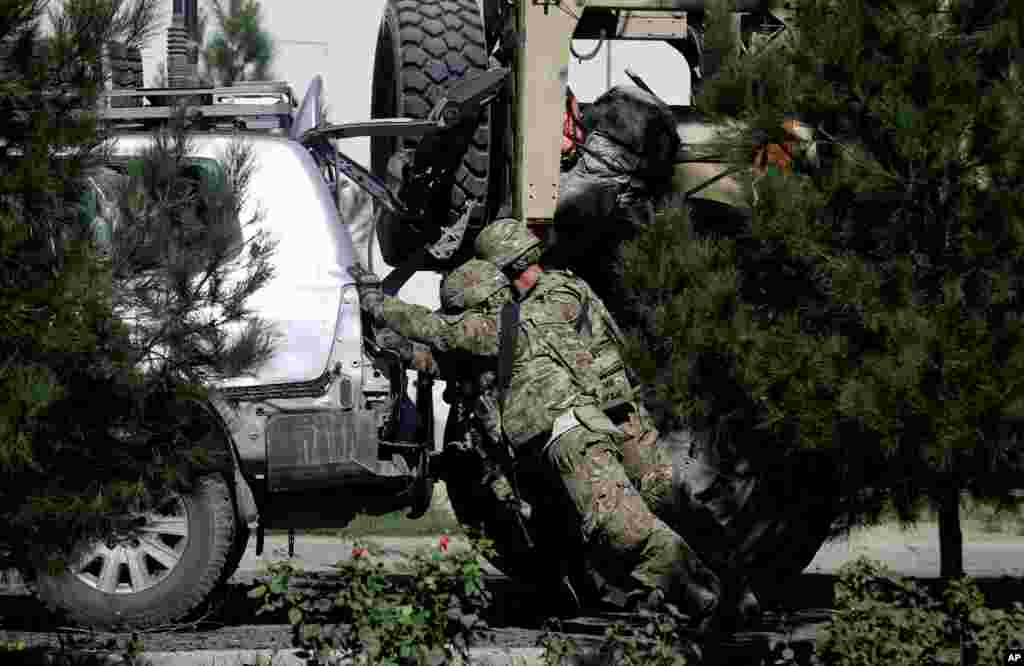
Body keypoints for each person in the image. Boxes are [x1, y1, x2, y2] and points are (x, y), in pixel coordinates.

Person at [348, 257, 722, 628]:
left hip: (571, 438)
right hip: (553, 448)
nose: (455, 318)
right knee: (599, 533)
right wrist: (391, 345)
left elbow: (435, 330)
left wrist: (376, 301)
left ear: (478, 302)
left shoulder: (506, 323)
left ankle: (709, 599)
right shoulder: (499, 334)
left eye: (458, 311)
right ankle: (689, 598)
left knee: (623, 528)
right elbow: (440, 359)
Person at [474, 218, 761, 626]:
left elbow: (515, 363)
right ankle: (732, 589)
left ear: (503, 267)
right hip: (615, 414)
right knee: (663, 500)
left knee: (636, 512)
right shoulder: (559, 291)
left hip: (601, 420)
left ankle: (715, 595)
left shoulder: (539, 303)